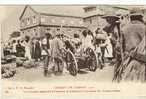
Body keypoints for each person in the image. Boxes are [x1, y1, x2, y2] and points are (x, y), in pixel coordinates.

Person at [117, 9, 146, 82]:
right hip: (144, 64)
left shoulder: (124, 29)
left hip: (129, 62)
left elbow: (119, 48)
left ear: (130, 17)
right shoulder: (144, 28)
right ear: (141, 17)